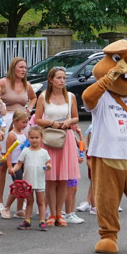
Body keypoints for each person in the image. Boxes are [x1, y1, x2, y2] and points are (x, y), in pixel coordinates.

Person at [35, 67, 81, 226]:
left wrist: (69, 121)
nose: (62, 81)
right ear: (51, 80)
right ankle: (51, 213)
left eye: (64, 78)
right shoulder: (43, 97)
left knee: (62, 179)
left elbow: (76, 117)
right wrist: (52, 123)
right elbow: (38, 120)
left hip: (65, 137)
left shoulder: (70, 96)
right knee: (50, 179)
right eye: (59, 78)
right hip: (49, 137)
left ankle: (59, 214)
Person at [0, 57, 37, 214]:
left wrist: (29, 109)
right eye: (21, 67)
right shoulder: (3, 83)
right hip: (7, 121)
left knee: (24, 160)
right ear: (13, 68)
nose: (23, 70)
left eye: (25, 67)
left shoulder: (27, 85)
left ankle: (22, 199)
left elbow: (33, 97)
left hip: (23, 122)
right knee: (6, 162)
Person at [12, 126, 52, 231]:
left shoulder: (44, 152)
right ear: (28, 138)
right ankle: (27, 221)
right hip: (28, 182)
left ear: (41, 138)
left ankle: (42, 221)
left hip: (39, 181)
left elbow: (48, 163)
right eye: (32, 137)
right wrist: (13, 169)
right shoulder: (25, 151)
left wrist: (48, 166)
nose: (34, 140)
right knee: (29, 201)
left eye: (36, 137)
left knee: (41, 201)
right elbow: (19, 163)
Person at [0, 110, 30, 220]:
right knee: (18, 186)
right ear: (16, 121)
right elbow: (8, 152)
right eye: (23, 122)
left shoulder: (24, 134)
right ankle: (6, 207)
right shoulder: (12, 135)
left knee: (23, 186)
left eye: (26, 122)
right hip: (14, 163)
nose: (25, 125)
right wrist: (9, 166)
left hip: (22, 163)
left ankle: (19, 209)